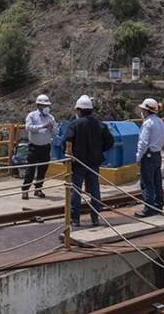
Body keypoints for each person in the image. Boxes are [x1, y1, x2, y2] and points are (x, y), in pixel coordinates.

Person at [65, 95, 114, 227]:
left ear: (79, 110)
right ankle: (95, 218)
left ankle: (75, 219)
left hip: (78, 163)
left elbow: (67, 141)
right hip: (94, 163)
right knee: (95, 190)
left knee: (75, 190)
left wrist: (70, 156)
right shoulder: (100, 125)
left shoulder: (74, 124)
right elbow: (110, 141)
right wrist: (99, 151)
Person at [135, 98, 164, 217]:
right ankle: (158, 205)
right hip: (157, 154)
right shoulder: (160, 122)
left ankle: (148, 208)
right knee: (157, 181)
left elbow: (143, 142)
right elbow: (162, 140)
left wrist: (138, 156)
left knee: (147, 182)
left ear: (146, 110)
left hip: (148, 156)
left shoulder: (147, 123)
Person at [22, 94, 57, 200]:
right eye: (44, 105)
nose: (46, 107)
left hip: (45, 147)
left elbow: (56, 131)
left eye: (47, 105)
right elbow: (28, 127)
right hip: (34, 147)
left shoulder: (51, 117)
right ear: (38, 105)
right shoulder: (32, 116)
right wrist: (42, 126)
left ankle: (38, 189)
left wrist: (51, 128)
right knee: (30, 170)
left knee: (43, 170)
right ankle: (25, 190)